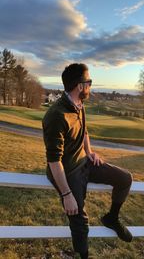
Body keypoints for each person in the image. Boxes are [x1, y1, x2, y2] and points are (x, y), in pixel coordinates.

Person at [42, 63, 133, 259]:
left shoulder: (79, 105)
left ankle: (111, 218)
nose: (91, 86)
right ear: (80, 86)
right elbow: (53, 160)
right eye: (89, 82)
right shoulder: (56, 115)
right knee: (79, 219)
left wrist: (90, 151)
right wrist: (66, 194)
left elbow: (84, 131)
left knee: (125, 179)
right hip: (67, 171)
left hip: (84, 162)